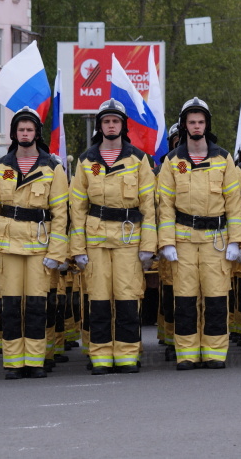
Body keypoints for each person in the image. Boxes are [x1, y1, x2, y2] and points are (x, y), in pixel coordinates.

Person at [0, 107, 68, 380]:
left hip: (39, 247)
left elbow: (61, 213)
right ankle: (13, 362)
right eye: (21, 130)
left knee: (35, 305)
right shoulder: (1, 167)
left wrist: (57, 252)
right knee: (10, 305)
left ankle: (34, 360)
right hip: (7, 245)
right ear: (14, 134)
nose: (25, 134)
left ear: (37, 133)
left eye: (30, 130)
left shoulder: (53, 167)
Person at [70, 99, 156, 375]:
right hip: (95, 240)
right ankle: (101, 356)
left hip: (129, 240)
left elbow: (148, 206)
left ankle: (128, 354)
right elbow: (77, 208)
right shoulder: (86, 160)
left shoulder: (139, 159)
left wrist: (148, 246)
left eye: (115, 121)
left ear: (123, 125)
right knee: (98, 299)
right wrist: (77, 248)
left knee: (128, 298)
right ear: (100, 126)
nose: (111, 125)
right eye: (106, 121)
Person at [157, 98, 241, 370]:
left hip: (216, 240)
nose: (196, 126)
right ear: (184, 125)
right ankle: (187, 353)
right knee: (184, 298)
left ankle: (215, 352)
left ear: (207, 125)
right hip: (183, 239)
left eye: (201, 121)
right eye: (192, 121)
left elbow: (234, 202)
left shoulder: (223, 158)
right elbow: (165, 206)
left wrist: (236, 240)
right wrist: (166, 242)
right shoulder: (172, 161)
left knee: (217, 297)